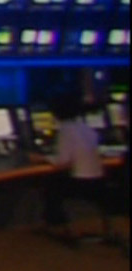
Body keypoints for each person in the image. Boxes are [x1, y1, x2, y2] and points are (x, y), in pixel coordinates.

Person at [42, 93, 107, 240]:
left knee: (50, 185)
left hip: (81, 184)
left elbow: (63, 162)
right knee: (54, 183)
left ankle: (57, 226)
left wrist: (42, 158)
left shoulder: (66, 130)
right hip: (99, 183)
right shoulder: (87, 128)